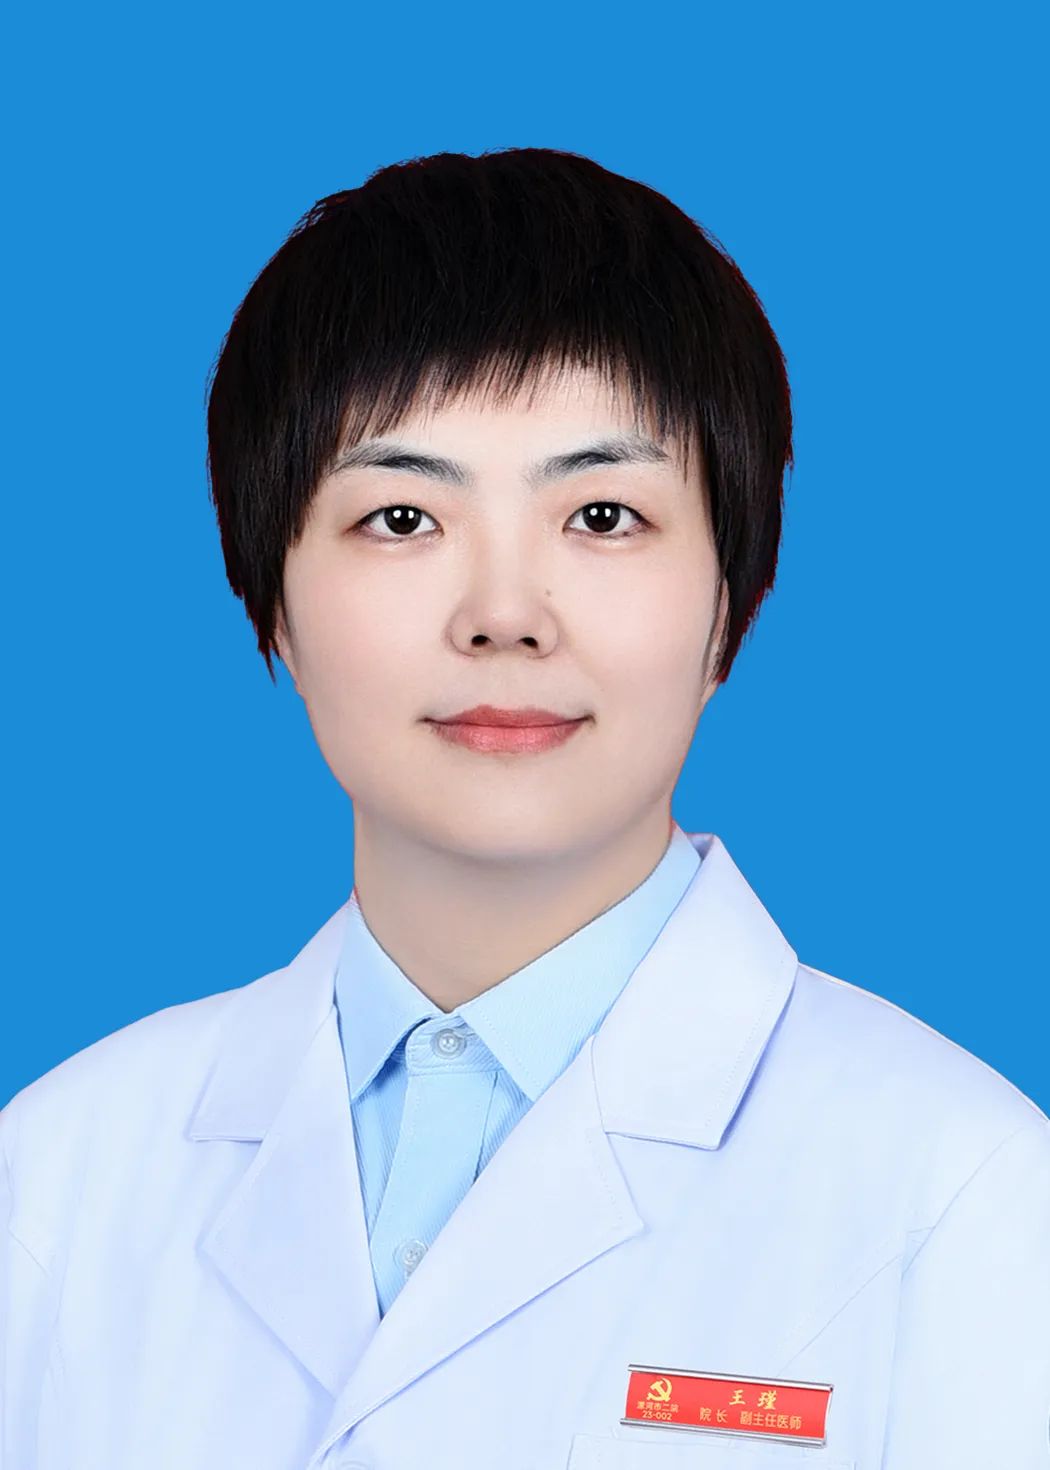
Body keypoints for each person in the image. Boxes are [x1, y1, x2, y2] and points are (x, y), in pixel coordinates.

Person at [2, 147, 1047, 1470]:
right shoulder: (56, 1175)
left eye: (602, 514)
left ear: (730, 601)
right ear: (272, 603)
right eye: (400, 517)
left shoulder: (963, 1191)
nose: (504, 614)